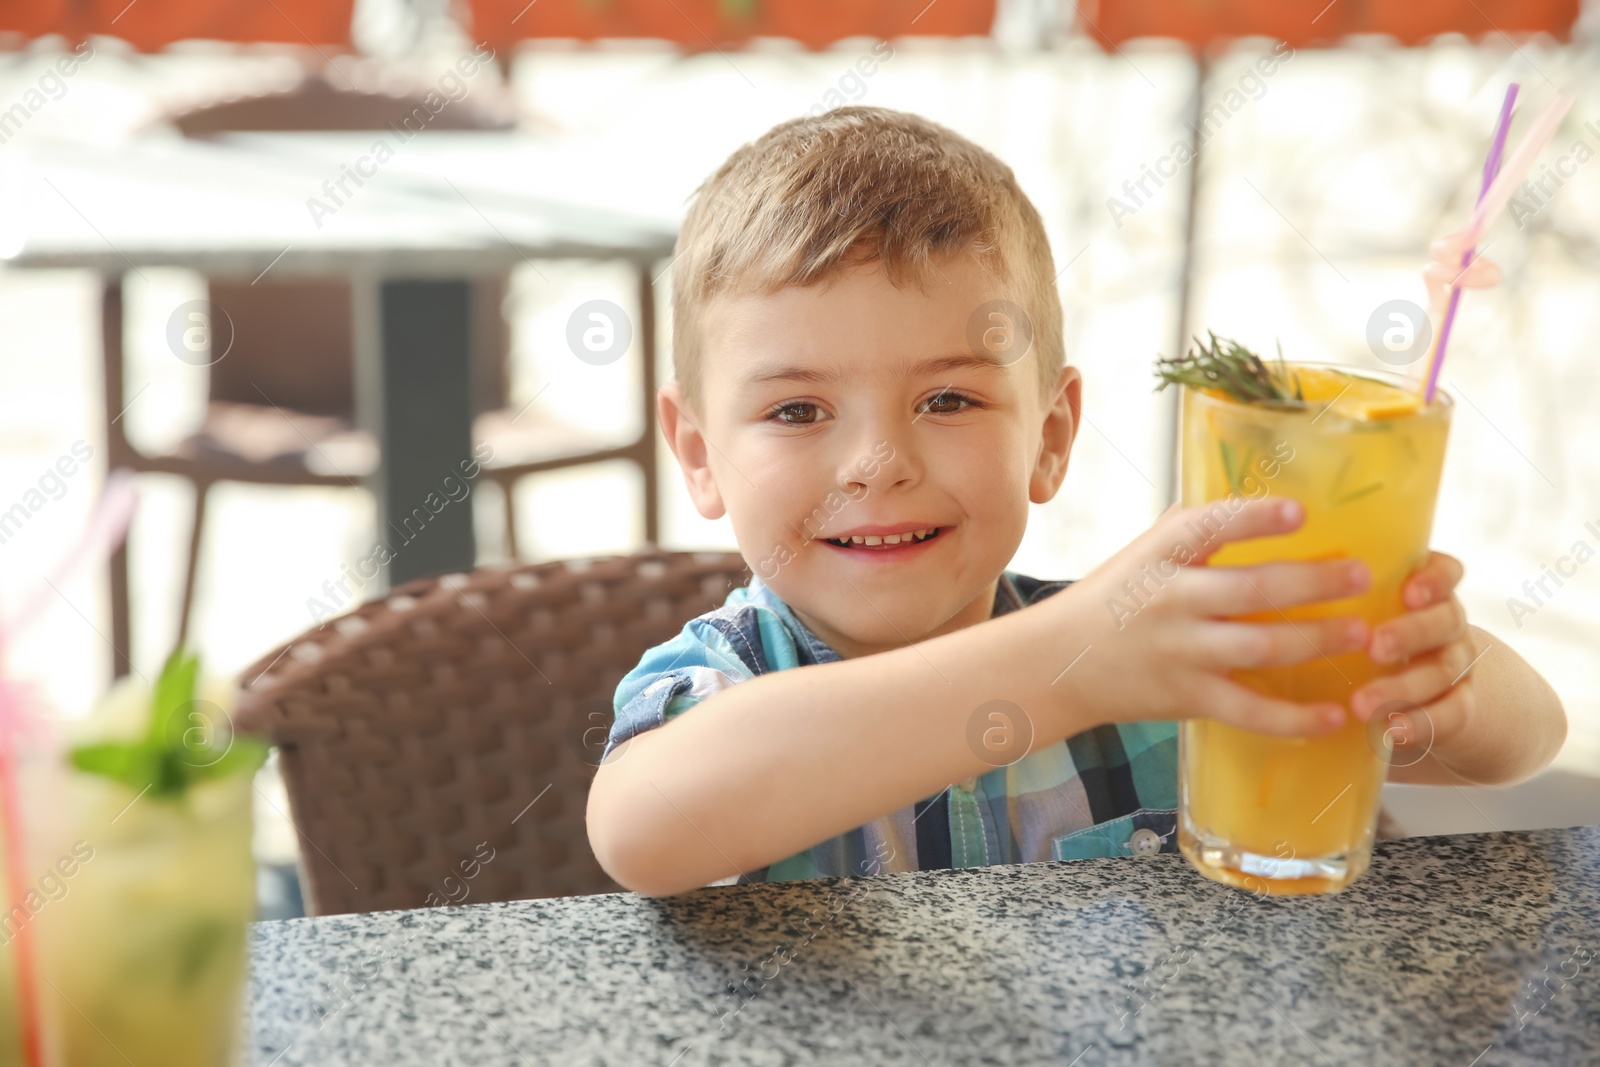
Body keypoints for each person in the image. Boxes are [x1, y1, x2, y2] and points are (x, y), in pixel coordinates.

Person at [585, 106, 1566, 896]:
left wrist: (1442, 682)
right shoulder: (715, 684)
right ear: (700, 454)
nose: (876, 463)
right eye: (798, 409)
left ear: (1049, 436)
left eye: (948, 398)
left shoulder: (1151, 671)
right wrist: (1075, 664)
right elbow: (643, 829)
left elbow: (1532, 739)